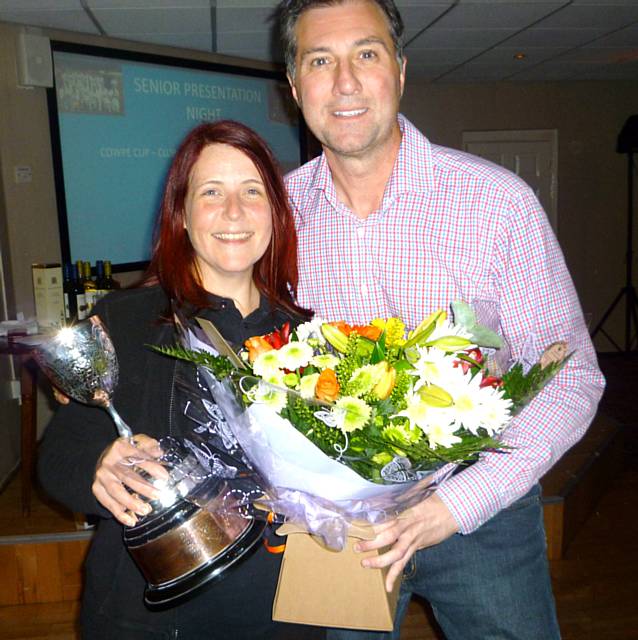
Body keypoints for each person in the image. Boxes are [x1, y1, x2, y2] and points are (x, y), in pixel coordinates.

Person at [277, 0, 606, 638]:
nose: (345, 81)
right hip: (337, 523)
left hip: (482, 509)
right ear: (294, 86)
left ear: (400, 70)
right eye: (321, 60)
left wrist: (458, 504)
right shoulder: (275, 216)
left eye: (366, 54)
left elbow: (572, 377)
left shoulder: (498, 204)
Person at [37, 121, 320, 640]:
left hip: (284, 612)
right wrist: (98, 468)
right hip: (151, 617)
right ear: (182, 215)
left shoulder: (310, 337)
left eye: (251, 191)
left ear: (275, 215)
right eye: (211, 192)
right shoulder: (126, 319)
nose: (233, 212)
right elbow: (58, 456)